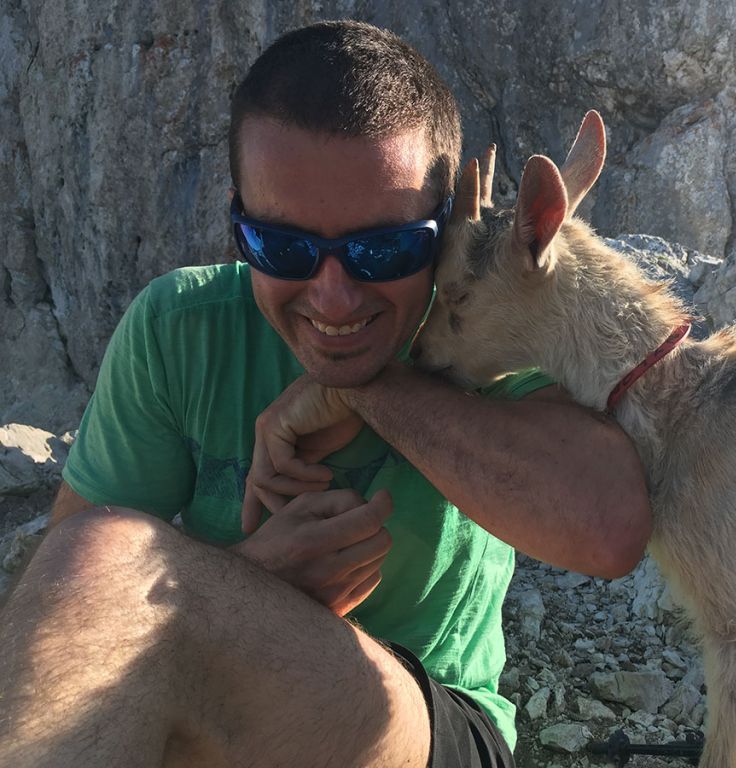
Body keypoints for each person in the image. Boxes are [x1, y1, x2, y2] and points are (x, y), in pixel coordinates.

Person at [0, 20, 651, 768]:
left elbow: (609, 528)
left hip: (435, 725)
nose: (334, 299)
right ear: (238, 224)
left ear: (443, 232)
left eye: (384, 248)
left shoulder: (482, 334)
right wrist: (255, 581)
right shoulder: (180, 329)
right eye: (283, 247)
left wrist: (363, 389)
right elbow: (71, 602)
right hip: (226, 705)